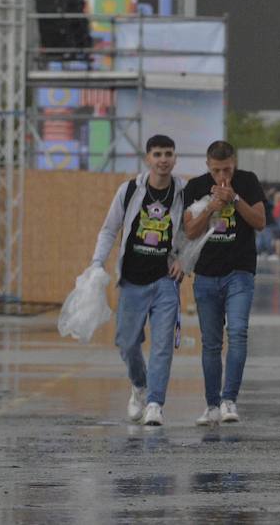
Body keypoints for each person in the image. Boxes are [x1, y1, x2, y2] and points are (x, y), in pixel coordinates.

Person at [88, 134, 188, 427]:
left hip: (165, 280)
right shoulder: (130, 190)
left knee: (162, 345)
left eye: (168, 153)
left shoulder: (182, 192)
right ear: (148, 159)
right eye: (157, 154)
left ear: (175, 158)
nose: (163, 160)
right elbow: (109, 230)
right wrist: (96, 263)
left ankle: (155, 403)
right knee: (127, 343)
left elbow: (191, 231)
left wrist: (184, 259)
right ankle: (139, 386)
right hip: (132, 280)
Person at [180, 140, 267, 426]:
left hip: (239, 271)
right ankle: (211, 405)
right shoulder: (194, 187)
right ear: (208, 166)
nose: (222, 176)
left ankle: (230, 399)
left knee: (239, 333)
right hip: (205, 274)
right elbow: (189, 231)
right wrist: (210, 208)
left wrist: (235, 200)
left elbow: (260, 222)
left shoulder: (247, 181)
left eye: (227, 169)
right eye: (216, 170)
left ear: (235, 162)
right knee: (211, 343)